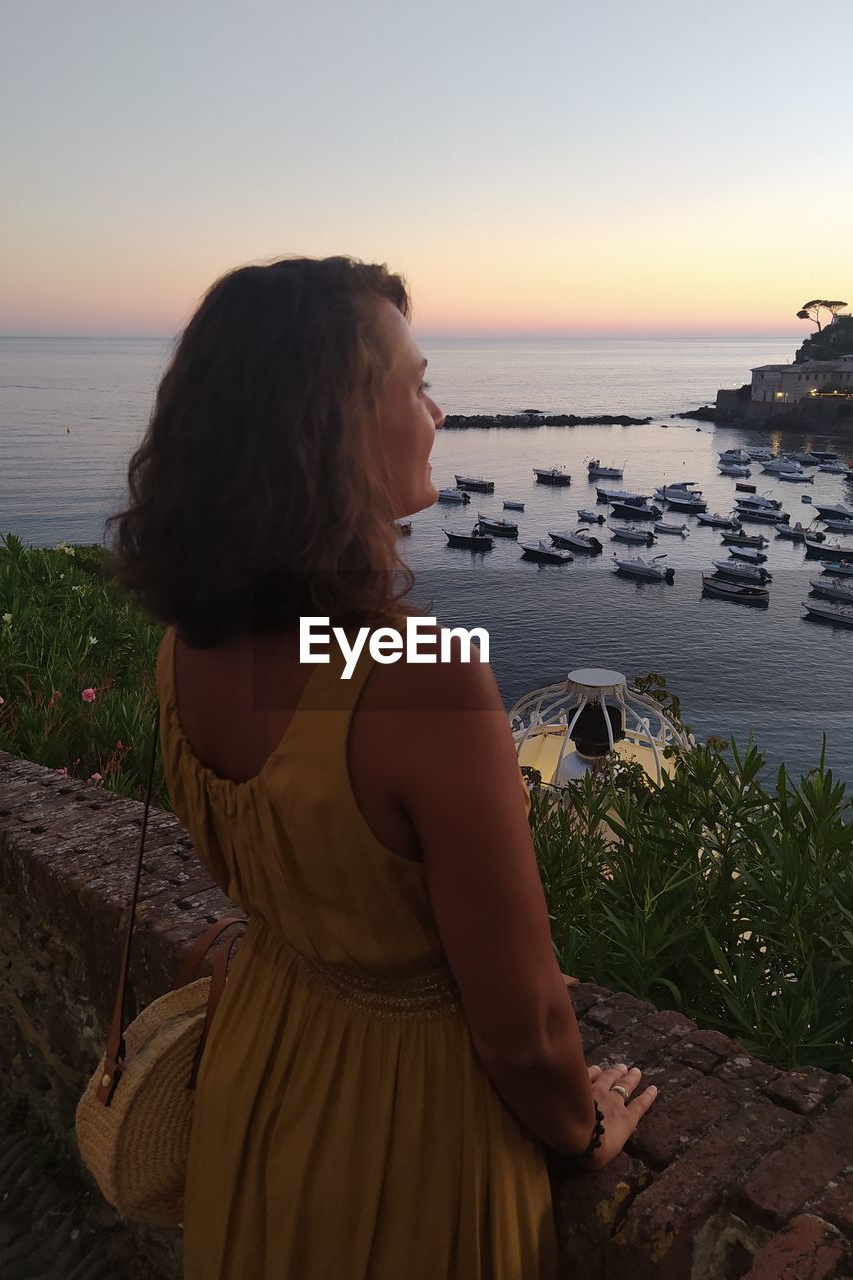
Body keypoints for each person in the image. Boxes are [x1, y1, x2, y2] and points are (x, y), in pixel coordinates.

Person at [111, 256, 657, 1279]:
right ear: (333, 429)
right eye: (414, 385)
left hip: (261, 1067)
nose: (439, 412)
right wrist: (586, 1130)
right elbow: (528, 1023)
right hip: (407, 1126)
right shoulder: (422, 679)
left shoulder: (188, 647)